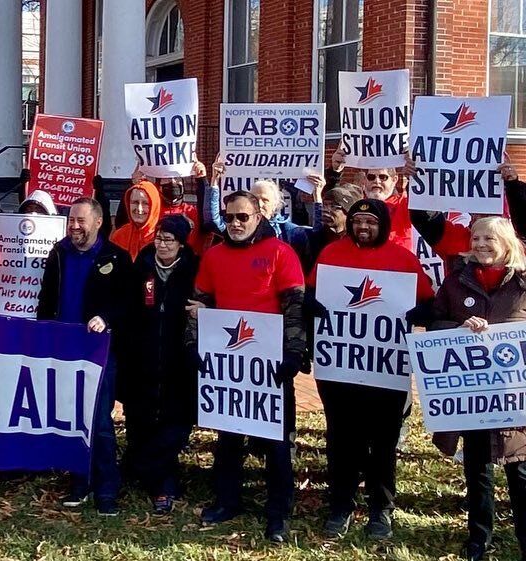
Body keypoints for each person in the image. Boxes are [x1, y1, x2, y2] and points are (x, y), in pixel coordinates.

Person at [307, 199, 435, 540]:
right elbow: (310, 289)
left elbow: (428, 299)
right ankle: (341, 505)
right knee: (341, 439)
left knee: (383, 442)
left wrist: (420, 313)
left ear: (383, 225)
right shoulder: (331, 254)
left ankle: (381, 508)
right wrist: (312, 304)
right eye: (357, 220)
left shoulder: (403, 259)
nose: (363, 227)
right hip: (340, 368)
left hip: (386, 368)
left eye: (370, 221)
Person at [184, 190, 305, 543]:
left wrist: (294, 354)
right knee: (228, 438)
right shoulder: (214, 255)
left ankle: (278, 511)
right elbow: (198, 304)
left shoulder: (281, 253)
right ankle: (227, 500)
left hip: (271, 363)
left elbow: (294, 306)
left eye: (243, 217)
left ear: (258, 218)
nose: (235, 223)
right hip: (228, 365)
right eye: (230, 217)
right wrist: (193, 344)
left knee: (277, 442)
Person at [428, 217, 526, 561]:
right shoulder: (457, 280)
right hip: (474, 396)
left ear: (507, 243)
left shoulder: (523, 283)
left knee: (520, 471)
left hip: (516, 396)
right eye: (477, 238)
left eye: (490, 238)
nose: (481, 244)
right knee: (479, 471)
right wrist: (459, 327)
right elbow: (436, 320)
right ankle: (478, 538)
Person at [37, 197, 131, 516]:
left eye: (81, 221)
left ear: (98, 222)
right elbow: (46, 298)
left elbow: (127, 302)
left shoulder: (116, 258)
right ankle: (81, 481)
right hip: (64, 350)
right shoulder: (59, 253)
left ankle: (107, 488)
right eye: (71, 220)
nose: (74, 226)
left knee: (101, 423)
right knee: (73, 420)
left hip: (98, 353)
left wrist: (106, 318)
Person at [123, 214, 199, 515]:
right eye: (159, 237)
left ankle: (154, 476)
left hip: (180, 360)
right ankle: (154, 480)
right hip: (144, 358)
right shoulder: (142, 267)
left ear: (181, 244)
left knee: (175, 424)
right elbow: (129, 306)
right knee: (141, 420)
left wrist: (204, 310)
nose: (162, 244)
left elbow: (210, 300)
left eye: (169, 239)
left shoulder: (194, 269)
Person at [410, 158, 523, 259]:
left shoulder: (518, 245)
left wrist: (513, 186)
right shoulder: (457, 240)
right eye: (478, 209)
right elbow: (425, 218)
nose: (482, 245)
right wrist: (419, 179)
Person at [324, 146, 415, 251]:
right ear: (364, 180)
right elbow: (329, 203)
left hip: (395, 264)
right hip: (361, 263)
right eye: (371, 177)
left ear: (394, 180)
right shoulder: (354, 204)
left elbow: (424, 206)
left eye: (383, 177)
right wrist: (334, 172)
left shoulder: (403, 205)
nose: (376, 181)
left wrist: (415, 170)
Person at [303, 184, 364, 274]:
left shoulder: (359, 242)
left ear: (348, 212)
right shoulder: (313, 239)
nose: (326, 210)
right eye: (325, 205)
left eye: (333, 206)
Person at [109, 180, 161, 261]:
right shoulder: (119, 235)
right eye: (135, 202)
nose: (139, 209)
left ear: (155, 206)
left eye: (145, 203)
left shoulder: (163, 238)